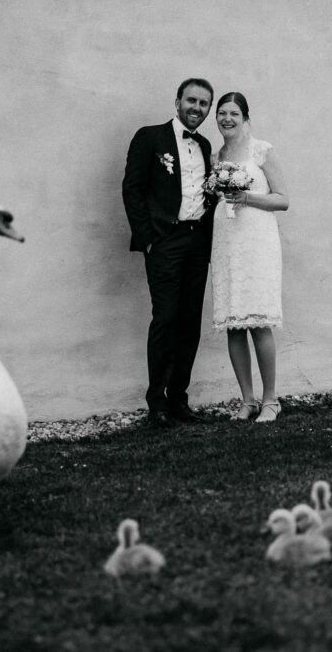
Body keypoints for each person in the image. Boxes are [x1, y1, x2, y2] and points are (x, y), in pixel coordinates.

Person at [122, 78, 216, 427]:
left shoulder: (205, 145)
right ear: (177, 101)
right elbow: (132, 188)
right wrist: (148, 238)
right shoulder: (150, 137)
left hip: (197, 242)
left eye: (204, 103)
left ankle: (179, 400)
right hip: (164, 241)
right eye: (191, 100)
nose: (197, 108)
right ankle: (156, 402)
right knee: (165, 319)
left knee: (190, 322)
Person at [209, 92, 290, 423]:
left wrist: (247, 197)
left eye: (233, 113)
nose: (227, 118)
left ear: (245, 118)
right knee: (233, 324)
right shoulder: (217, 157)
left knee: (258, 322)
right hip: (227, 241)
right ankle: (247, 400)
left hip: (257, 240)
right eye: (222, 113)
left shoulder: (262, 150)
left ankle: (271, 399)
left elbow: (282, 199)